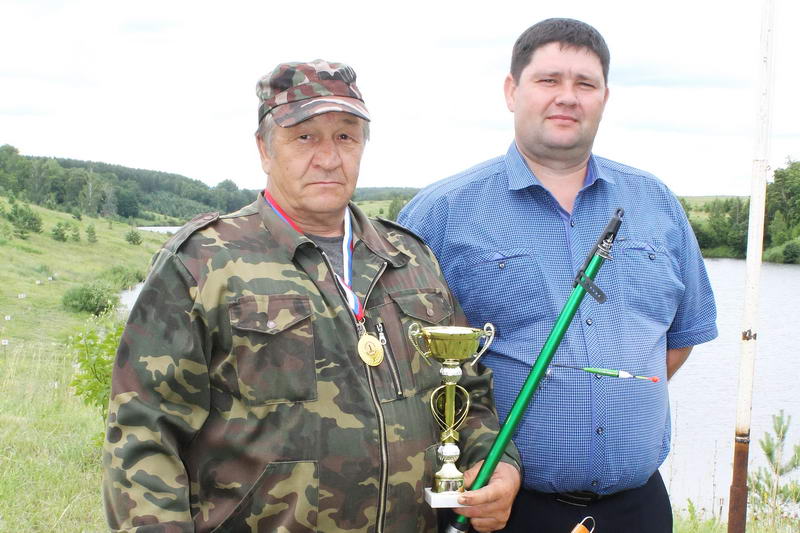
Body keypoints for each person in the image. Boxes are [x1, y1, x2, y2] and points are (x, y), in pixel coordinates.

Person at [102, 59, 520, 533]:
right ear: (264, 148)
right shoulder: (203, 261)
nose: (328, 157)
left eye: (345, 136)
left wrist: (496, 465)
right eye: (304, 137)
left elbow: (467, 393)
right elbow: (143, 434)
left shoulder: (410, 259)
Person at [398, 19, 718, 533]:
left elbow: (679, 338)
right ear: (512, 90)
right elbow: (402, 368)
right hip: (501, 511)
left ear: (604, 98)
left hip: (639, 509)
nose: (567, 97)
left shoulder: (656, 203)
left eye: (585, 83)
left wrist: (608, 406)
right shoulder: (440, 214)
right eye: (548, 80)